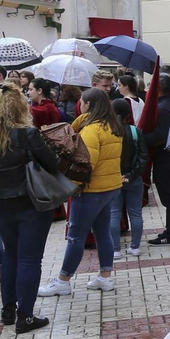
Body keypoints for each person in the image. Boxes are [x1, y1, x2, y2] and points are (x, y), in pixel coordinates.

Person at [0, 84, 61, 332]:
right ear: (19, 108)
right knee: (30, 259)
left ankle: (8, 309)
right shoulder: (26, 135)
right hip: (31, 203)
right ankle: (26, 316)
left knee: (10, 255)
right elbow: (52, 165)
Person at [40, 89, 124, 296]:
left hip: (90, 190)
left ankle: (63, 280)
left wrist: (73, 187)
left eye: (82, 103)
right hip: (110, 187)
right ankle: (105, 277)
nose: (80, 105)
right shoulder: (112, 126)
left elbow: (85, 164)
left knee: (76, 237)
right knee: (103, 233)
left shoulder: (91, 131)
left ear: (88, 105)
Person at [145, 75, 170, 245]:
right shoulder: (168, 104)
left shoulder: (163, 108)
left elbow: (162, 134)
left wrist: (140, 137)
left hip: (168, 159)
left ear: (158, 88)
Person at [110, 96, 147, 257]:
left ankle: (115, 249)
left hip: (113, 179)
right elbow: (143, 156)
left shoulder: (108, 132)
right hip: (133, 178)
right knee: (136, 213)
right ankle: (135, 247)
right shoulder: (135, 131)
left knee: (114, 213)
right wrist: (132, 174)